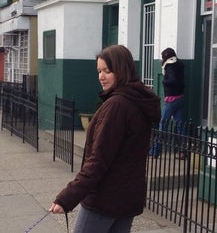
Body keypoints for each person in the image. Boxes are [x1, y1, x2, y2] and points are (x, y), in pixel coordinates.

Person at [49, 45, 161, 233]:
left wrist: (67, 198)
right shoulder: (137, 101)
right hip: (127, 197)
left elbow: (98, 160)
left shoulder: (117, 106)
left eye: (107, 71)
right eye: (99, 71)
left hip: (105, 198)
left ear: (121, 70)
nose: (101, 76)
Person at [149, 47, 185, 159]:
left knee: (162, 125)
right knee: (180, 126)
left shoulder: (170, 66)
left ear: (166, 56)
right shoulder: (179, 64)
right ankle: (183, 151)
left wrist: (164, 81)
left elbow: (172, 80)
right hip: (180, 98)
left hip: (171, 100)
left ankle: (155, 151)